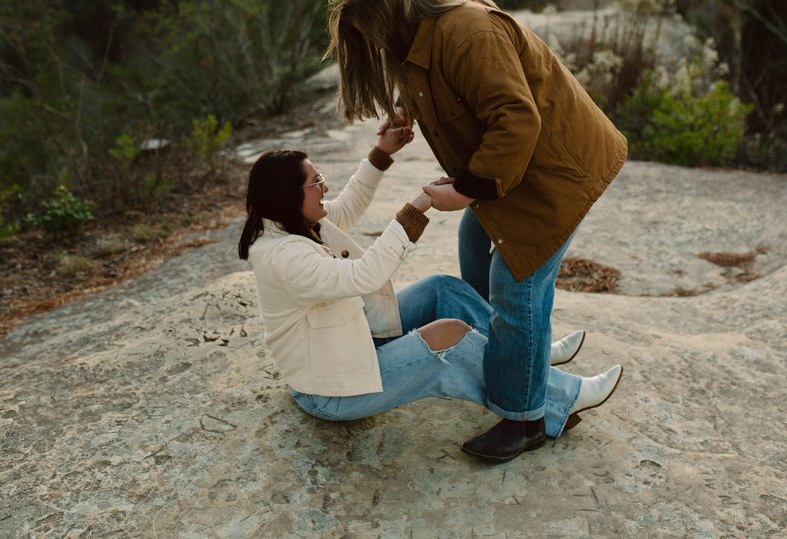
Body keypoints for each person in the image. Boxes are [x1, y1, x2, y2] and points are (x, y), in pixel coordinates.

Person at [326, 0, 629, 462]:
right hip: (520, 169)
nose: (378, 47)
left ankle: (524, 418)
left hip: (557, 169)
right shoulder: (422, 40)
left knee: (518, 283)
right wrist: (406, 117)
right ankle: (518, 356)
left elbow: (516, 120)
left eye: (377, 34)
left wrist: (467, 188)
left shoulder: (466, 31)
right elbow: (456, 97)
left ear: (397, 12)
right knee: (474, 237)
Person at [237, 136, 623, 462]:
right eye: (316, 181)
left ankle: (525, 353)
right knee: (448, 336)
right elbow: (365, 274)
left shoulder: (297, 222)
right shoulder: (283, 256)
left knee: (442, 288)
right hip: (331, 390)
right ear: (289, 196)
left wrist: (382, 152)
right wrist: (416, 209)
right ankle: (562, 396)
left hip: (349, 342)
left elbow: (348, 205)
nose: (324, 188)